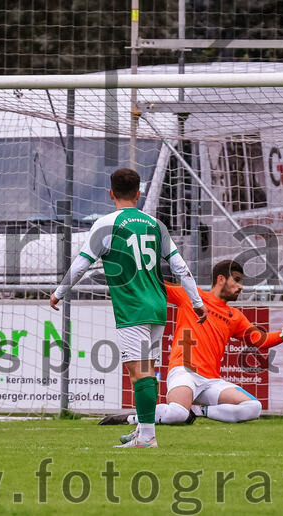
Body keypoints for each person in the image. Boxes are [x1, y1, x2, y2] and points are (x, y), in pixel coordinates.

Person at [50, 168, 205, 449]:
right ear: (138, 193)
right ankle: (143, 431)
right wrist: (197, 302)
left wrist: (59, 292)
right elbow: (180, 267)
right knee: (143, 370)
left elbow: (82, 264)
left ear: (111, 193)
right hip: (158, 307)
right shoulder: (155, 224)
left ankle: (147, 437)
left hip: (133, 309)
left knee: (140, 371)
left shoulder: (106, 225)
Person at [101, 260, 283, 436]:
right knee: (177, 414)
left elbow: (258, 340)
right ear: (221, 279)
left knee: (254, 408)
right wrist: (131, 266)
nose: (241, 286)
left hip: (211, 381)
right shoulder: (191, 295)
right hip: (183, 371)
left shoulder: (235, 316)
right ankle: (132, 418)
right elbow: (155, 285)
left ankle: (198, 411)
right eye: (237, 280)